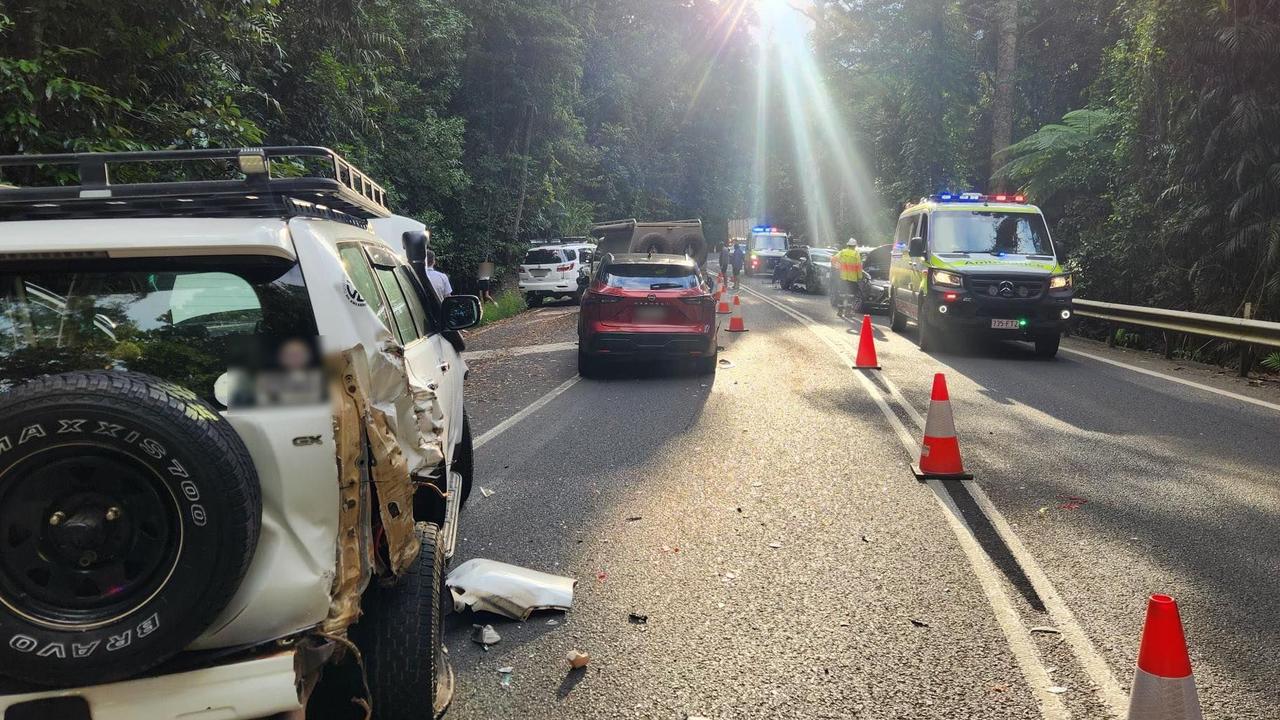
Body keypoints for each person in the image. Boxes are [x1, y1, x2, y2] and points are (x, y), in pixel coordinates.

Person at [831, 239, 863, 319]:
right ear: (854, 246)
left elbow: (833, 259)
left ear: (848, 245)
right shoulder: (856, 254)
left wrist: (837, 267)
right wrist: (860, 277)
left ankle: (840, 311)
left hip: (843, 277)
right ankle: (848, 312)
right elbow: (859, 267)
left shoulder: (842, 252)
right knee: (851, 296)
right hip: (852, 279)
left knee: (842, 294)